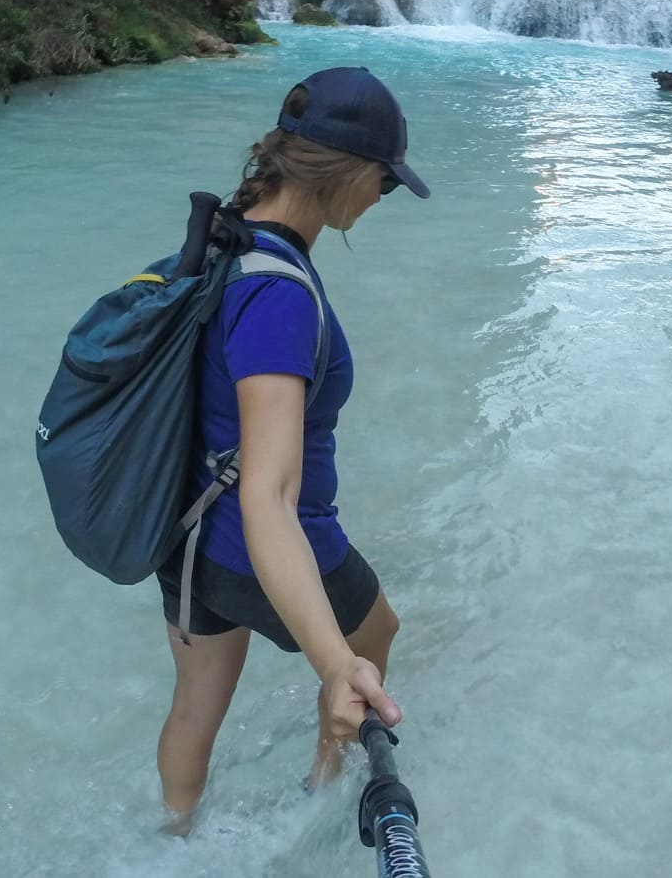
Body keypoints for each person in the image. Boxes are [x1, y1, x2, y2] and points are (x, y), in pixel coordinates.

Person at [155, 65, 430, 829]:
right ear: (350, 175)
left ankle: (174, 836)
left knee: (193, 711)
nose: (383, 199)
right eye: (386, 182)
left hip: (183, 538)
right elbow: (270, 494)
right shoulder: (279, 295)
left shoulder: (221, 241)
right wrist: (336, 662)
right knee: (377, 633)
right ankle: (327, 773)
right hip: (258, 546)